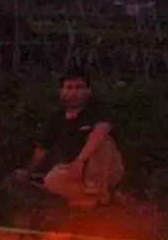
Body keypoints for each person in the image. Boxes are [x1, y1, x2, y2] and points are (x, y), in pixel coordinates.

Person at [17, 71, 124, 205]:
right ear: (61, 91)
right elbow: (42, 148)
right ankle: (99, 200)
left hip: (107, 169)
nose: (74, 92)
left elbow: (101, 131)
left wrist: (80, 160)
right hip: (74, 171)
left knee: (103, 142)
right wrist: (28, 171)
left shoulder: (98, 110)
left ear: (88, 91)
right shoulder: (56, 117)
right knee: (52, 179)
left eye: (79, 87)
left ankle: (97, 191)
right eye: (69, 87)